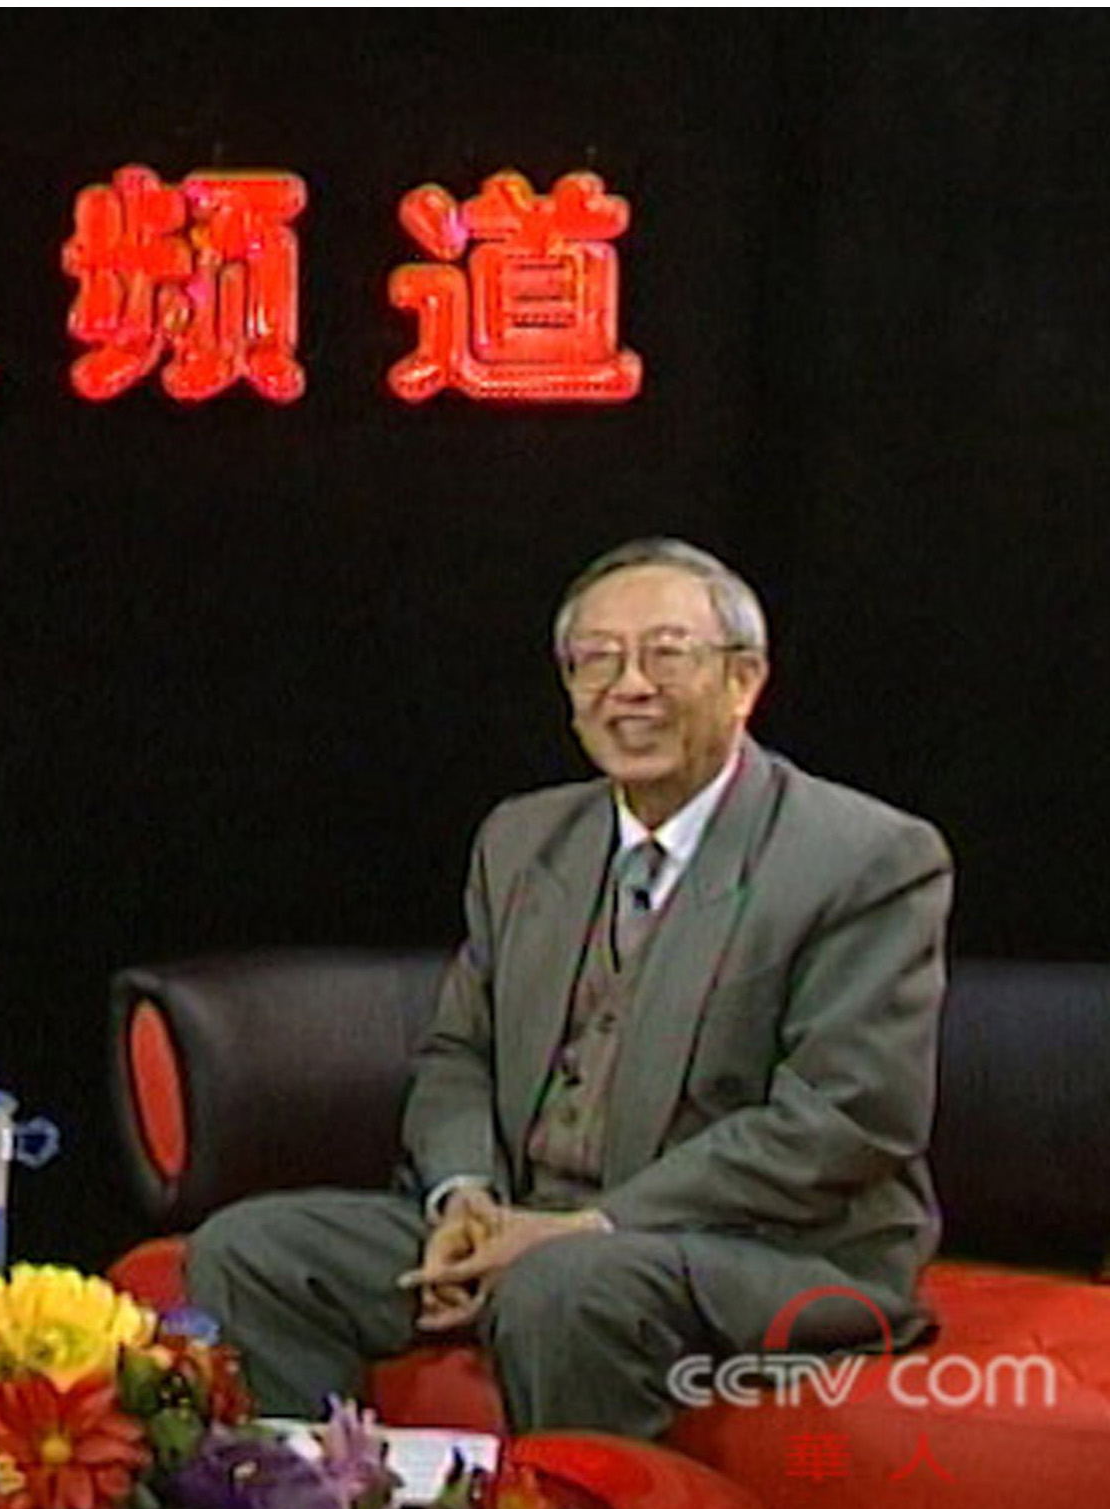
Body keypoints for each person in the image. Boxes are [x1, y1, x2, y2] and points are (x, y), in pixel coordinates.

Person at [186, 537, 952, 1437]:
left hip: (757, 1248)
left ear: (743, 680)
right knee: (253, 1253)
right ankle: (321, 1492)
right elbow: (458, 1053)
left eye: (667, 654)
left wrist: (589, 1226)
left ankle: (584, 1494)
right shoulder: (522, 840)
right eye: (597, 660)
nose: (631, 687)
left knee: (562, 1287)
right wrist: (464, 1196)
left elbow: (845, 1120)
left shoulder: (863, 857)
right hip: (524, 1222)